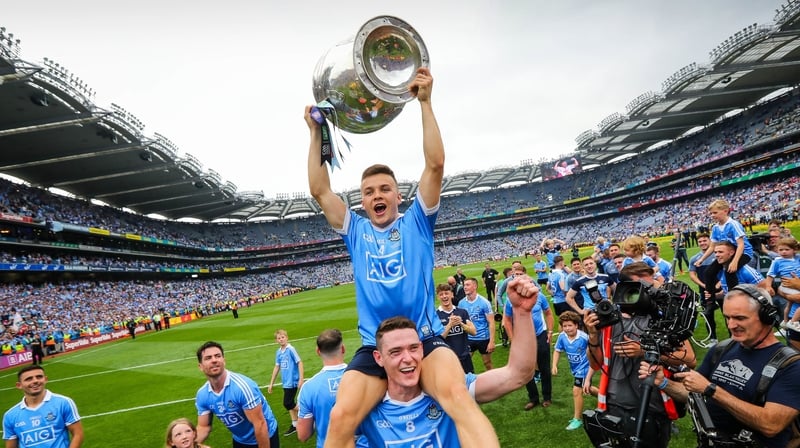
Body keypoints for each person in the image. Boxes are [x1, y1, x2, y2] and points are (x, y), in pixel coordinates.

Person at [306, 67, 497, 448]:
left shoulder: (417, 223)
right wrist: (316, 133)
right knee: (342, 416)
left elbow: (435, 165)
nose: (377, 195)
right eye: (368, 191)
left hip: (424, 338)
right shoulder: (355, 230)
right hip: (373, 347)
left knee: (458, 397)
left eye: (385, 189)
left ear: (397, 195)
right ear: (362, 200)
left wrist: (425, 103)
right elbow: (319, 190)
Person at [357, 274, 540, 447]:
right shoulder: (365, 410)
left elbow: (518, 374)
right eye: (395, 352)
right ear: (378, 358)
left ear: (422, 349)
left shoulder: (450, 390)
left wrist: (522, 312)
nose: (407, 359)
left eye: (413, 348)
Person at [640, 285, 800, 448]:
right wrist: (664, 383)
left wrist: (712, 390)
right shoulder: (723, 349)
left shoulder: (791, 365)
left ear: (767, 317)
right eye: (727, 317)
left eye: (740, 318)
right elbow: (695, 394)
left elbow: (770, 425)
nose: (731, 325)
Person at [584, 262, 696, 448]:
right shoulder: (609, 318)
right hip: (615, 403)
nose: (650, 291)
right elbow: (596, 364)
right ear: (626, 289)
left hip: (653, 404)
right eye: (643, 287)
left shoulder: (663, 319)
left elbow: (689, 359)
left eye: (651, 286)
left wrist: (644, 350)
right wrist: (593, 334)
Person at [194, 341, 279, 448]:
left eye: (218, 356)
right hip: (240, 439)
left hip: (266, 435)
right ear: (200, 366)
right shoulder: (202, 394)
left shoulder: (242, 387)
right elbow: (203, 427)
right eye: (208, 358)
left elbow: (260, 424)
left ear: (224, 361)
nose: (214, 360)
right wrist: (189, 444)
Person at [297, 329, 367, 448]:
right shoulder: (364, 378)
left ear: (318, 351)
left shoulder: (308, 388)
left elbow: (303, 435)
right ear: (343, 348)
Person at [501, 262, 554, 411]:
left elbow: (548, 313)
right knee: (526, 370)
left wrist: (549, 331)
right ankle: (533, 398)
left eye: (522, 277)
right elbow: (507, 320)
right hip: (522, 339)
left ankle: (547, 397)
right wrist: (513, 339)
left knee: (544, 368)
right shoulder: (511, 301)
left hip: (539, 335)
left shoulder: (540, 296)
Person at [2, 365, 84, 448]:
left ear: (45, 379)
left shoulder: (63, 402)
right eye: (29, 379)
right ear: (19, 385)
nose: (35, 381)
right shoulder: (10, 415)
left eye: (39, 377)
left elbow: (78, 434)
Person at [694, 199, 755, 294]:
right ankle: (711, 300)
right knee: (708, 272)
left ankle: (733, 295)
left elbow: (741, 244)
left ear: (725, 211)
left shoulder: (733, 224)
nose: (712, 215)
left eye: (715, 213)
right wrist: (702, 259)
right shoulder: (715, 227)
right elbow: (712, 246)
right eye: (711, 213)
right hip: (727, 254)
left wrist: (735, 262)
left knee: (729, 271)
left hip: (743, 253)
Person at [552, 311, 597, 431]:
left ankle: (577, 419)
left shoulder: (583, 337)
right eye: (564, 326)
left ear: (576, 325)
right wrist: (554, 365)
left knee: (577, 391)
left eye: (570, 325)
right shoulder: (562, 337)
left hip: (585, 369)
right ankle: (605, 398)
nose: (567, 328)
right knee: (588, 389)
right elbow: (557, 350)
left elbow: (594, 351)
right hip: (575, 369)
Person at [689, 233, 724, 343]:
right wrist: (704, 285)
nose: (702, 243)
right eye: (700, 241)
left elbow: (725, 272)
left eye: (705, 240)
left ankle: (733, 337)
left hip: (721, 288)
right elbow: (692, 274)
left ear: (710, 241)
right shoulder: (694, 258)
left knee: (727, 313)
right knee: (708, 315)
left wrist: (719, 285)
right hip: (705, 290)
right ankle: (713, 338)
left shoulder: (717, 255)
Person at [268, 329, 304, 436]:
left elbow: (299, 362)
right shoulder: (278, 352)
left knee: (287, 403)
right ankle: (295, 424)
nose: (281, 339)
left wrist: (301, 379)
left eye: (282, 337)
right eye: (279, 338)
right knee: (290, 404)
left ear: (287, 338)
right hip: (285, 382)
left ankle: (307, 414)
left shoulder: (291, 349)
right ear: (276, 340)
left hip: (293, 381)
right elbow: (277, 367)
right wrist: (271, 383)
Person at [436, 283, 476, 373]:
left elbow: (473, 332)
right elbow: (438, 339)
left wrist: (461, 324)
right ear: (438, 297)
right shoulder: (436, 316)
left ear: (452, 295)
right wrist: (450, 325)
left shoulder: (462, 312)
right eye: (441, 294)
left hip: (465, 357)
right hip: (448, 359)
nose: (444, 296)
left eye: (446, 293)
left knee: (469, 384)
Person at [459, 277, 496, 371]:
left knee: (487, 363)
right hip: (469, 338)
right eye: (464, 285)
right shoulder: (461, 303)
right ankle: (468, 383)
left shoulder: (484, 302)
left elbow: (491, 322)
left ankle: (494, 383)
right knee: (464, 363)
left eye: (468, 285)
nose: (465, 287)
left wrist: (491, 342)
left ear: (475, 286)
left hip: (483, 338)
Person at [765, 237, 800, 331]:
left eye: (787, 249)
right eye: (780, 250)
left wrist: (797, 245)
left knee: (789, 304)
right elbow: (770, 275)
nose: (783, 252)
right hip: (787, 286)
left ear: (794, 250)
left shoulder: (797, 258)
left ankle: (784, 324)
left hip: (794, 286)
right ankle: (793, 322)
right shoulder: (777, 261)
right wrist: (768, 286)